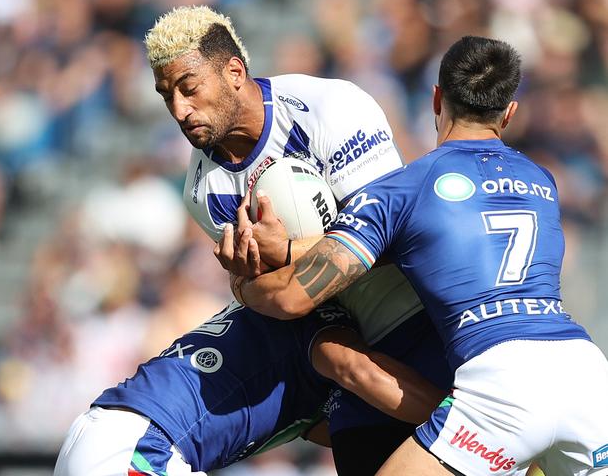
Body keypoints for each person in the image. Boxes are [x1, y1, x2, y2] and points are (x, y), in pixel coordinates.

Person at [54, 5, 451, 475]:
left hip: (422, 322)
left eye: (189, 88)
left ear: (235, 72)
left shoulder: (330, 108)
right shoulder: (206, 191)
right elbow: (273, 299)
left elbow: (393, 241)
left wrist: (282, 257)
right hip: (139, 444)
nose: (179, 110)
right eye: (166, 96)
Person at [233, 35, 608, 475]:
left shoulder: (403, 189)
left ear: (436, 99)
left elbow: (294, 297)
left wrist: (245, 282)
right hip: (586, 375)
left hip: (502, 380)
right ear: (509, 112)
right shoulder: (542, 180)